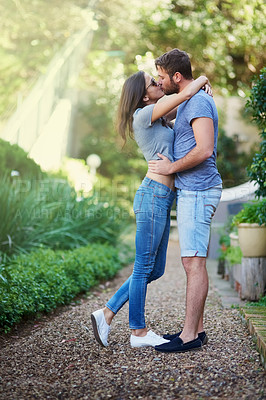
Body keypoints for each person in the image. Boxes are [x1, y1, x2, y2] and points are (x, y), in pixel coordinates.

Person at [91, 69, 211, 348]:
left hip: (162, 199)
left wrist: (194, 94)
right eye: (152, 82)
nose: (158, 83)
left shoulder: (156, 117)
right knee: (144, 266)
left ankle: (106, 313)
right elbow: (185, 94)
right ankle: (138, 331)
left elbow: (182, 105)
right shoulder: (144, 115)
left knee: (154, 270)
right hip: (153, 196)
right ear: (144, 95)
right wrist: (203, 80)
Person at [148, 48, 222, 353]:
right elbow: (159, 111)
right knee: (192, 261)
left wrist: (170, 168)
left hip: (200, 190)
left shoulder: (200, 102)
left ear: (177, 77)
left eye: (162, 77)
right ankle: (196, 329)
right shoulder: (191, 99)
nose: (160, 81)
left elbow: (204, 150)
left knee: (194, 262)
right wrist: (202, 79)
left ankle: (190, 335)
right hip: (192, 191)